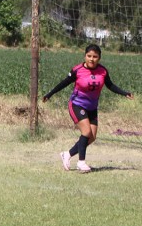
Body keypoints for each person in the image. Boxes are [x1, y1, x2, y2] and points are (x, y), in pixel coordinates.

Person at [41, 44, 133, 172]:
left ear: (99, 58)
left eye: (95, 57)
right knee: (86, 132)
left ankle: (67, 154)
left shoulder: (103, 71)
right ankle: (81, 163)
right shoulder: (77, 70)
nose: (91, 59)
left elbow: (110, 85)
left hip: (92, 108)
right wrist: (49, 94)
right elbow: (63, 83)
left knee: (92, 137)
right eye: (89, 56)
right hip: (77, 104)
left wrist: (124, 93)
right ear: (85, 56)